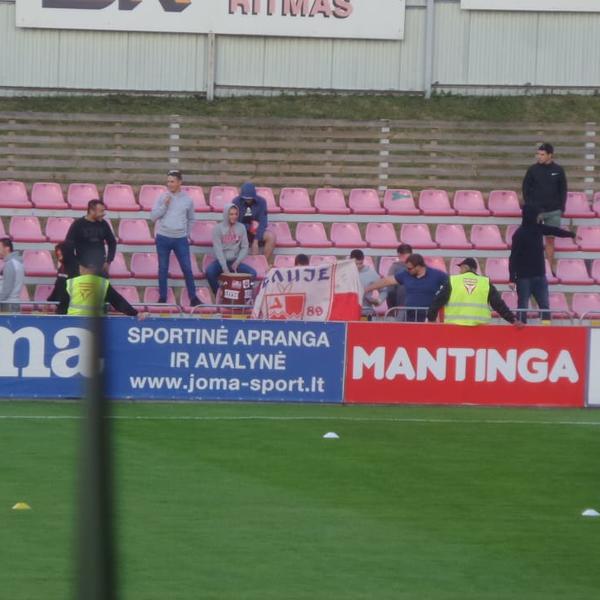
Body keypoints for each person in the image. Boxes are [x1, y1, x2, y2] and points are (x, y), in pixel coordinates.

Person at [509, 204, 577, 324]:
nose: (540, 217)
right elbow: (513, 257)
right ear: (531, 215)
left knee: (544, 306)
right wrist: (511, 278)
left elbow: (555, 231)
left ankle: (546, 329)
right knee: (522, 306)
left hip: (540, 276)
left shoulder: (539, 228)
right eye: (538, 215)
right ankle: (521, 330)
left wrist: (571, 234)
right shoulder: (519, 234)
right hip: (523, 277)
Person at [150, 169, 201, 306]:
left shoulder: (188, 200)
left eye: (172, 181)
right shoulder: (162, 198)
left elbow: (191, 219)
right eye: (168, 181)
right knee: (163, 268)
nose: (169, 184)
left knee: (187, 268)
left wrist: (185, 233)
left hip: (180, 239)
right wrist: (164, 206)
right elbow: (153, 217)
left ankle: (193, 298)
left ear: (179, 182)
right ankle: (162, 297)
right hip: (163, 237)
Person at [427, 258, 521, 327]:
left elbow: (438, 301)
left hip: (454, 328)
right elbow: (498, 304)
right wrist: (513, 320)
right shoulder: (485, 282)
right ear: (475, 270)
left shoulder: (453, 281)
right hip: (480, 330)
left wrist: (431, 319)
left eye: (461, 268)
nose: (460, 271)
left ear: (465, 267)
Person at [522, 142, 568, 273]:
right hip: (536, 212)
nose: (539, 157)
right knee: (532, 239)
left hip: (553, 211)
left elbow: (563, 189)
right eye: (538, 154)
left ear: (550, 155)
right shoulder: (532, 170)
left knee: (550, 240)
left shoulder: (558, 170)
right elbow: (525, 189)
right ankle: (532, 268)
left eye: (542, 154)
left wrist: (561, 207)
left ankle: (549, 268)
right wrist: (530, 207)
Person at [365, 253, 448, 322]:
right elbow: (387, 281)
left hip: (429, 317)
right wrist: (367, 288)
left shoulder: (437, 275)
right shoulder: (406, 274)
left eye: (409, 268)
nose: (407, 270)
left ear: (418, 267)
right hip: (409, 317)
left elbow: (448, 288)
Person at [207, 203, 257, 296]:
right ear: (226, 214)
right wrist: (225, 268)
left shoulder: (241, 227)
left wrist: (237, 262)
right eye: (231, 214)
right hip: (221, 262)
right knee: (210, 272)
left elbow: (245, 247)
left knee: (252, 273)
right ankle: (220, 294)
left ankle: (241, 295)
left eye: (236, 214)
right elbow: (218, 250)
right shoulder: (218, 228)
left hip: (235, 261)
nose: (234, 216)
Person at [66, 259, 140, 317]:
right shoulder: (102, 283)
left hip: (73, 320)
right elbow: (118, 302)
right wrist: (136, 313)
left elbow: (63, 303)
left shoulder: (71, 282)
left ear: (81, 268)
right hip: (95, 321)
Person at [64, 199, 116, 277]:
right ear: (91, 211)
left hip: (100, 268)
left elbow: (112, 242)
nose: (104, 214)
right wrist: (77, 265)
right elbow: (68, 246)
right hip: (83, 268)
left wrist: (108, 261)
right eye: (101, 211)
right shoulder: (78, 224)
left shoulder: (104, 224)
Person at [233, 182, 276, 263]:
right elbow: (234, 222)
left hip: (256, 231)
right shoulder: (236, 202)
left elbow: (263, 222)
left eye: (249, 198)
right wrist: (249, 227)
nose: (247, 200)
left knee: (271, 237)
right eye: (245, 198)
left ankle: (262, 263)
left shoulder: (262, 202)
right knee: (232, 236)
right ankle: (237, 264)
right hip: (241, 230)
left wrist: (256, 240)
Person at [350, 249, 384, 315]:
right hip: (348, 312)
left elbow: (383, 290)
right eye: (355, 264)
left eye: (360, 263)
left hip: (365, 312)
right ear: (350, 260)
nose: (358, 266)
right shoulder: (344, 273)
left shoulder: (372, 274)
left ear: (363, 260)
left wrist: (379, 300)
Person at [385, 243, 413, 317]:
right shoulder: (418, 267)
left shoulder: (394, 268)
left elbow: (390, 290)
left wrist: (391, 307)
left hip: (400, 307)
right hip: (415, 307)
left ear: (398, 254)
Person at [46, 242, 72, 315]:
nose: (58, 253)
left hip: (70, 306)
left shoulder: (74, 268)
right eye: (57, 251)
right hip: (61, 306)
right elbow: (57, 287)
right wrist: (49, 301)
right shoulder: (61, 267)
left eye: (61, 252)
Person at [0, 238, 24, 313]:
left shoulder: (10, 264)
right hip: (13, 302)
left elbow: (7, 289)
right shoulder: (17, 262)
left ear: (7, 248)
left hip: (8, 304)